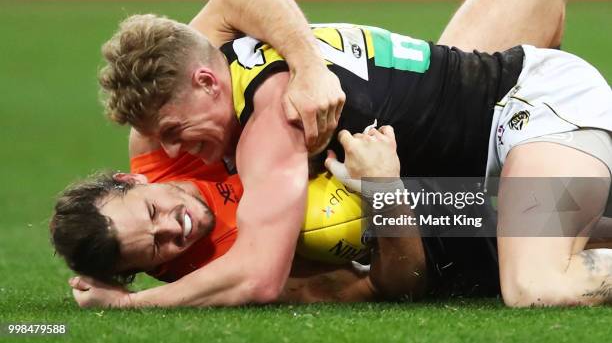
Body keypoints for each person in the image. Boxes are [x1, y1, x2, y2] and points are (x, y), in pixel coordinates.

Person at [63, 0, 607, 307]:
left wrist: (129, 305)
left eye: (176, 129)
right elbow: (378, 283)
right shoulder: (185, 104)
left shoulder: (273, 118)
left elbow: (259, 275)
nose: (173, 146)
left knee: (535, 286)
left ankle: (567, 172)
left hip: (532, 107)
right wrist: (384, 190)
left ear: (207, 81)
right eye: (154, 247)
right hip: (467, 173)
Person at [53, 125, 428, 306]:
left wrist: (305, 68)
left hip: (396, 122)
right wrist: (385, 190)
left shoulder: (163, 137)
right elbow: (390, 285)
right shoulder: (229, 275)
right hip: (441, 213)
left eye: (153, 210)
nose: (173, 226)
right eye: (156, 247)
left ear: (131, 178)